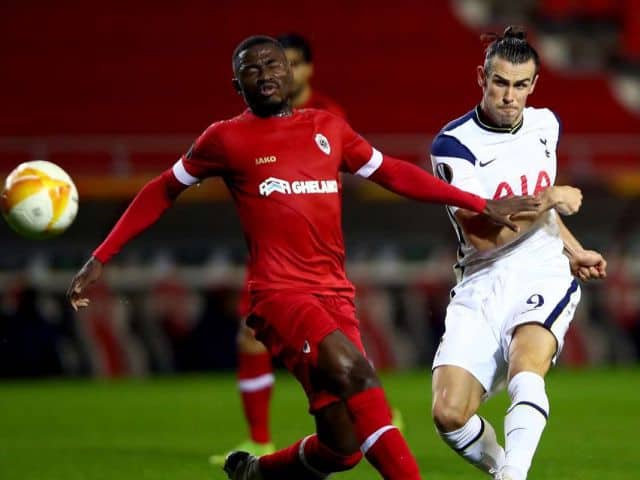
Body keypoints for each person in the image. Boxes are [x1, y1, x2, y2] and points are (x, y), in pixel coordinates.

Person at [67, 35, 539, 480]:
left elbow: (393, 173)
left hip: (334, 293)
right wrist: (102, 255)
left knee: (345, 445)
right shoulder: (225, 139)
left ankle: (259, 471)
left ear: (290, 73)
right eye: (251, 70)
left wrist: (479, 203)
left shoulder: (327, 128)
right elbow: (161, 189)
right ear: (238, 85)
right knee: (356, 372)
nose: (265, 73)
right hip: (279, 296)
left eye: (273, 63)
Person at [429, 26, 607, 480]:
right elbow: (483, 239)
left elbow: (543, 218)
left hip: (542, 270)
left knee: (528, 365)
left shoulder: (546, 125)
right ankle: (503, 469)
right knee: (449, 414)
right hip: (481, 278)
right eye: (500, 82)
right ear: (481, 78)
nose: (510, 96)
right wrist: (547, 198)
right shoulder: (454, 147)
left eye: (520, 85)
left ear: (534, 84)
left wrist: (573, 249)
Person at [210, 33, 350, 465]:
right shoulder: (251, 123)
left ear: (304, 70)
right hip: (273, 257)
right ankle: (259, 438)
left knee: (339, 356)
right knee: (250, 338)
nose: (274, 74)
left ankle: (366, 411)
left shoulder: (326, 117)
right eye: (266, 67)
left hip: (316, 255)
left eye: (287, 64)